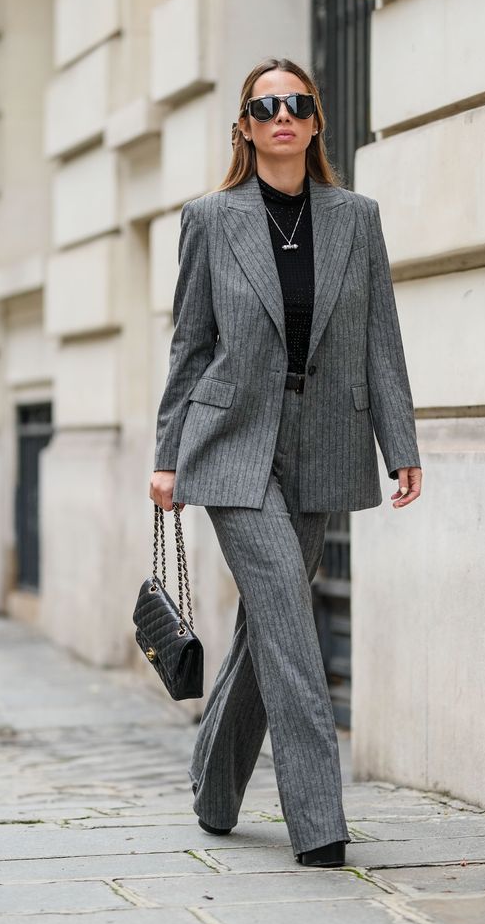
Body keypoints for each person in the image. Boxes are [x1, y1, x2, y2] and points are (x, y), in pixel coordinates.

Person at [149, 57, 422, 868]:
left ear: (315, 122)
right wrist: (167, 455)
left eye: (297, 104)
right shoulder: (211, 219)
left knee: (267, 624)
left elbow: (381, 339)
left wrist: (400, 445)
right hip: (231, 441)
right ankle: (319, 821)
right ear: (244, 126)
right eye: (265, 107)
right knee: (291, 624)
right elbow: (190, 345)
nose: (282, 117)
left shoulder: (355, 219)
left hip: (323, 438)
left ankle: (213, 786)